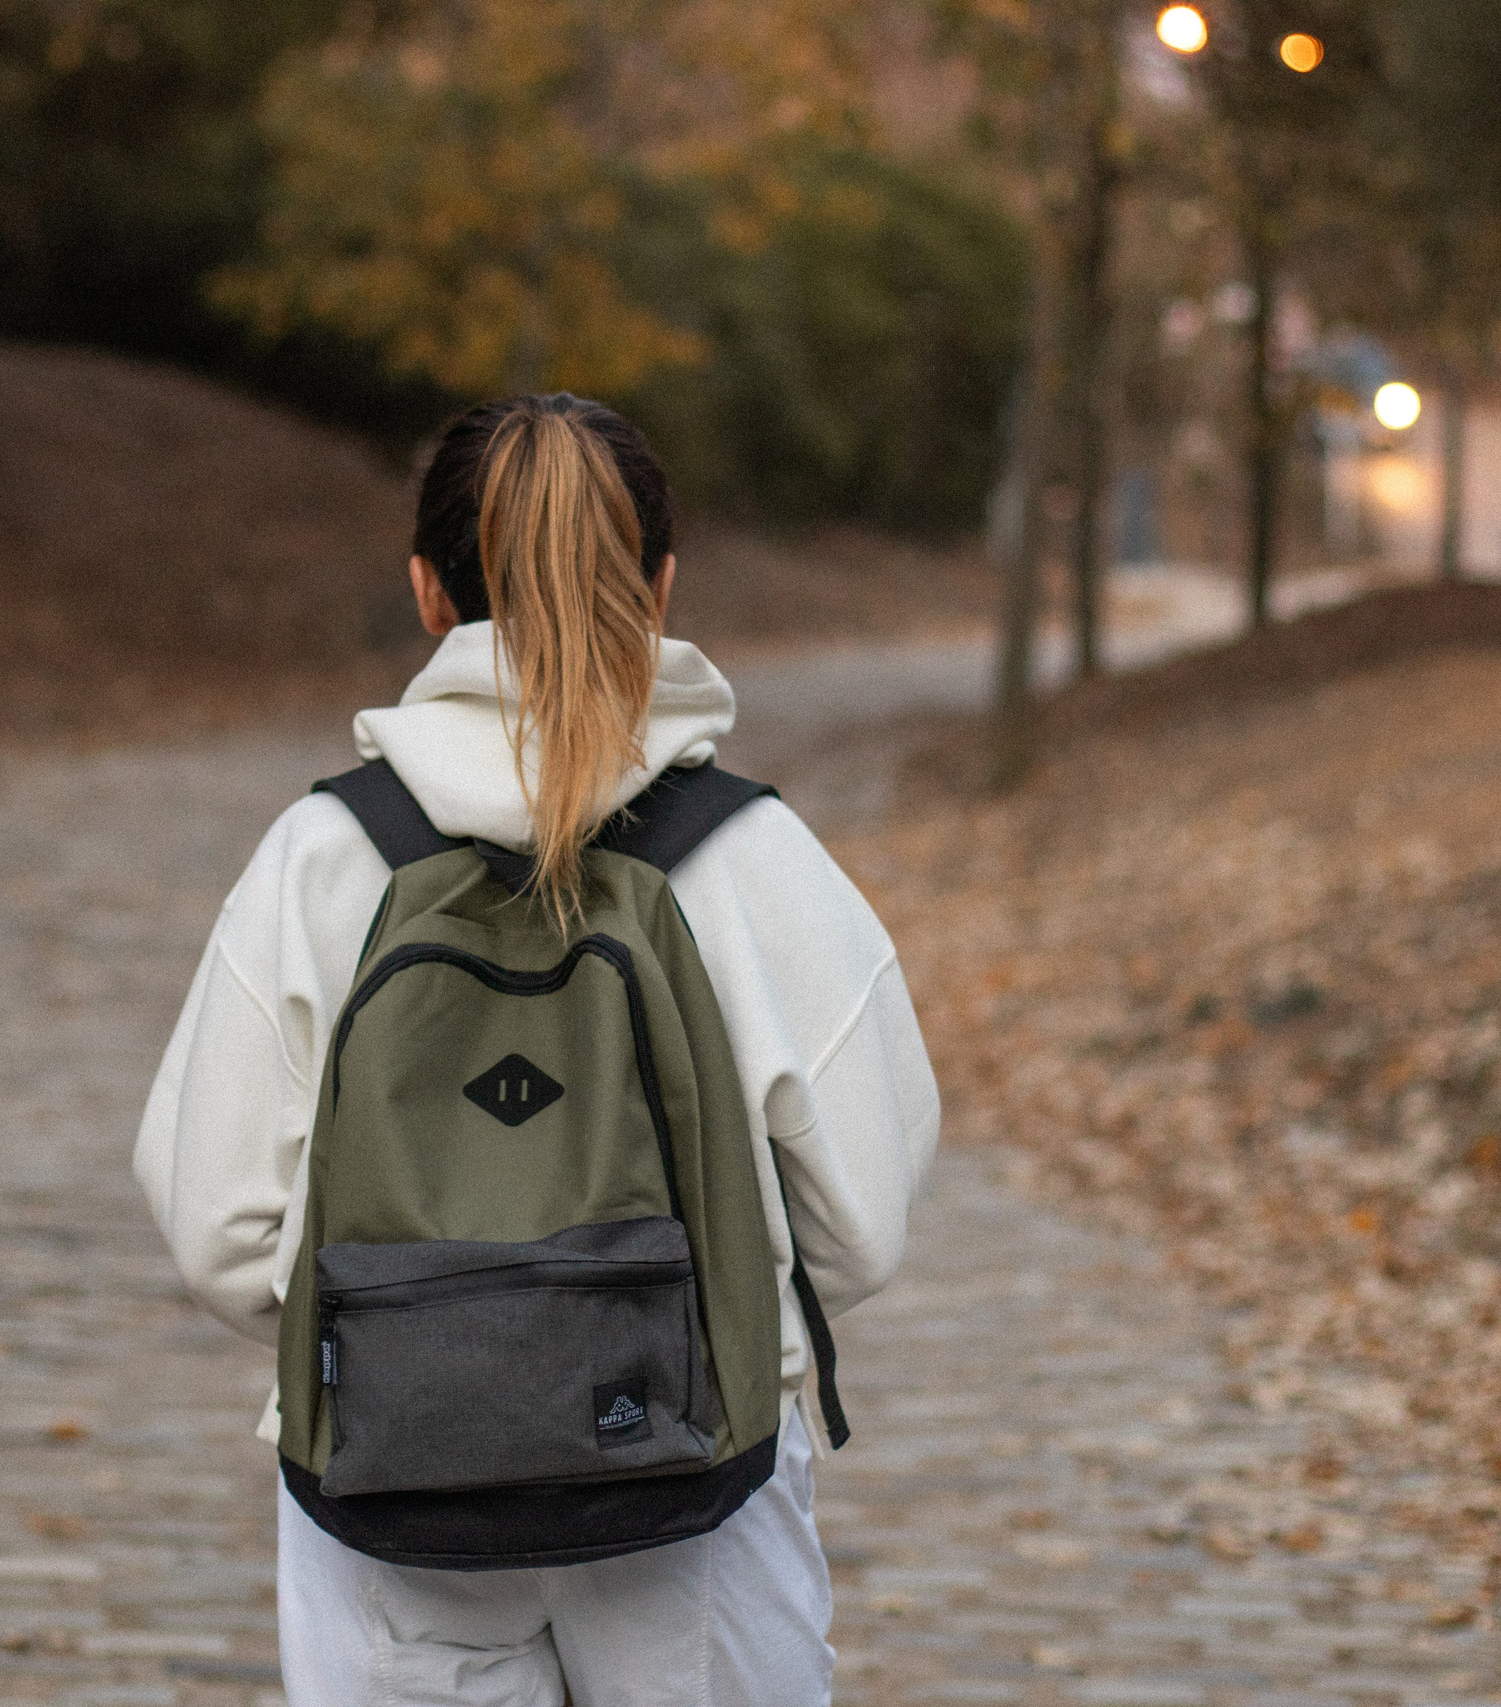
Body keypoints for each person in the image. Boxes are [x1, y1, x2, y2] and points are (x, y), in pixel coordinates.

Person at [135, 392, 938, 1706]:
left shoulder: (324, 858)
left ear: (424, 594)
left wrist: (429, 1352)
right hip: (694, 1490)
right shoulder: (751, 860)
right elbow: (861, 1221)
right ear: (664, 587)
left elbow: (220, 1226)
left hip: (392, 1491)